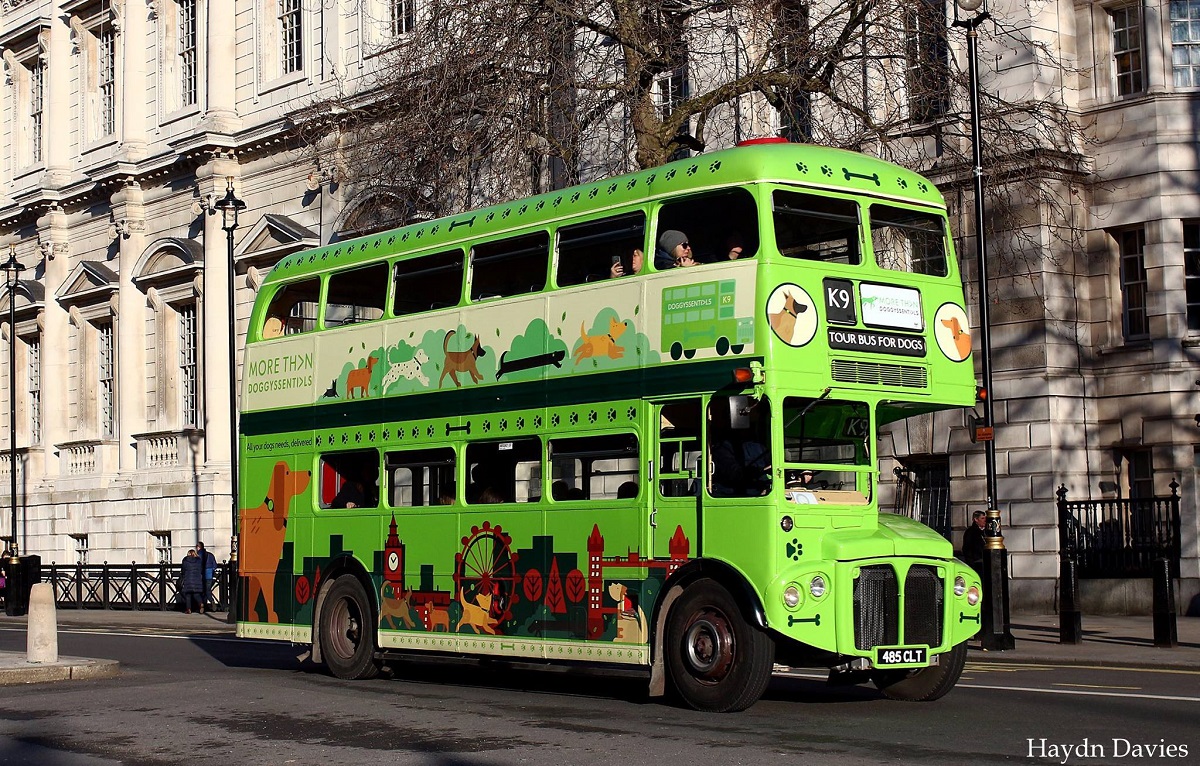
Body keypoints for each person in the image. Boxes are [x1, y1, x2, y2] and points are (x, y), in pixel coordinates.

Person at [180, 549, 205, 614]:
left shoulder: (185, 560)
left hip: (188, 578)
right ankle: (201, 603)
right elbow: (201, 569)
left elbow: (183, 570)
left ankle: (188, 609)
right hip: (197, 579)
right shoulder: (199, 560)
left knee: (188, 594)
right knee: (196, 594)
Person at [962, 510, 987, 575]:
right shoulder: (970, 532)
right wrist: (972, 563)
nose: (985, 520)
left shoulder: (987, 531)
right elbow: (966, 549)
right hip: (977, 563)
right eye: (982, 518)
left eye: (985, 518)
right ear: (976, 519)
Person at [196, 542, 217, 610]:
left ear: (198, 547)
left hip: (201, 575)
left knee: (200, 591)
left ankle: (202, 605)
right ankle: (212, 601)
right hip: (209, 575)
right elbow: (215, 566)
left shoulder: (198, 555)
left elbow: (197, 566)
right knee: (208, 590)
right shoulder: (210, 555)